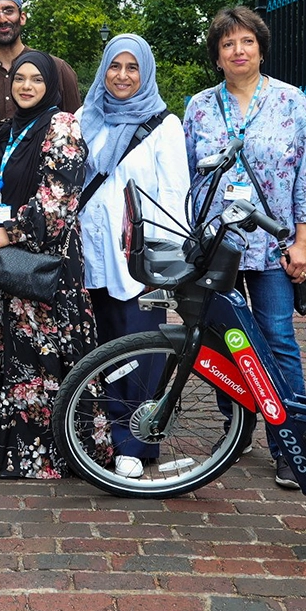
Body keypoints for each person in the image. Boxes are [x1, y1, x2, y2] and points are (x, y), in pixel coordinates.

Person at [184, 6, 306, 490]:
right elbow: (187, 174)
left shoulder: (290, 101)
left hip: (272, 242)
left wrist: (303, 239)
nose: (238, 51)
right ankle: (237, 427)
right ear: (217, 57)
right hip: (217, 243)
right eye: (227, 44)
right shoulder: (199, 107)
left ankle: (291, 443)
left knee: (278, 339)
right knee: (224, 341)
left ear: (260, 48)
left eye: (246, 41)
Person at [76, 34, 191, 479]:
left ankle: (135, 441)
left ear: (145, 73)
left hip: (137, 259)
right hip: (88, 255)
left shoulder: (164, 125)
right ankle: (98, 433)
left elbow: (175, 196)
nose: (122, 76)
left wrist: (161, 264)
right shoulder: (88, 117)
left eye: (132, 68)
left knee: (140, 347)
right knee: (100, 346)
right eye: (114, 67)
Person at [0, 50, 96, 479]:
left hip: (45, 261)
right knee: (11, 355)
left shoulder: (61, 125)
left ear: (51, 85)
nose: (26, 86)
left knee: (44, 357)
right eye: (20, 79)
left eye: (36, 80)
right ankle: (10, 451)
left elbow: (60, 198)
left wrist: (10, 231)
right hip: (5, 263)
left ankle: (52, 455)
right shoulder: (5, 129)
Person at [0, 0, 83, 122]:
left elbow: (76, 126)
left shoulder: (56, 68)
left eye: (9, 11)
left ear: (22, 17)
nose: (2, 19)